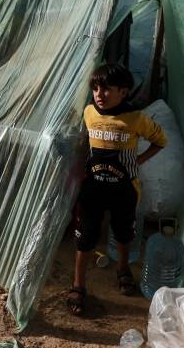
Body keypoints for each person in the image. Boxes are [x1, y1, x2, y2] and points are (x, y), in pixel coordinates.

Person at [67, 63, 167, 316]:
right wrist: (80, 167)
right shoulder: (89, 112)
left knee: (123, 233)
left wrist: (138, 160)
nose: (99, 94)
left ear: (123, 92)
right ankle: (78, 284)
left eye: (107, 89)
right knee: (85, 236)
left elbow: (160, 141)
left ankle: (123, 269)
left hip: (125, 190)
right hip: (93, 188)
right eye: (96, 88)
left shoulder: (136, 119)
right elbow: (83, 142)